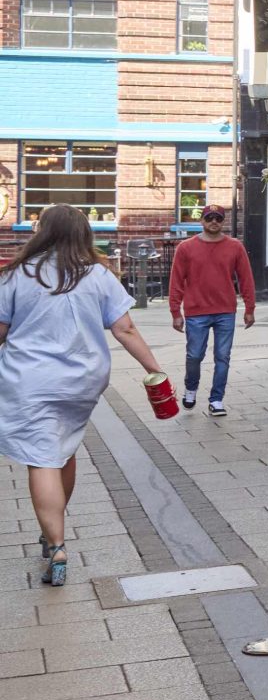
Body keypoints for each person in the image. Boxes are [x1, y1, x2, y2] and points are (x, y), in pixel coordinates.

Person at [0, 206, 167, 587]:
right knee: (64, 449)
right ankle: (52, 527)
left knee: (41, 458)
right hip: (83, 380)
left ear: (42, 232)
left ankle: (56, 544)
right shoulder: (99, 275)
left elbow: (1, 330)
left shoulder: (16, 275)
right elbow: (125, 329)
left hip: (31, 380)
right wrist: (155, 369)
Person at [168, 204, 256, 415]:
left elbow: (246, 279)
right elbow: (176, 281)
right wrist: (175, 312)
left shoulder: (235, 247)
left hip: (225, 310)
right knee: (194, 355)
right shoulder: (186, 248)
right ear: (202, 221)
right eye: (209, 218)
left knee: (223, 356)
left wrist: (249, 307)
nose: (214, 221)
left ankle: (216, 399)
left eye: (218, 217)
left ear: (223, 221)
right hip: (196, 311)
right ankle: (191, 388)